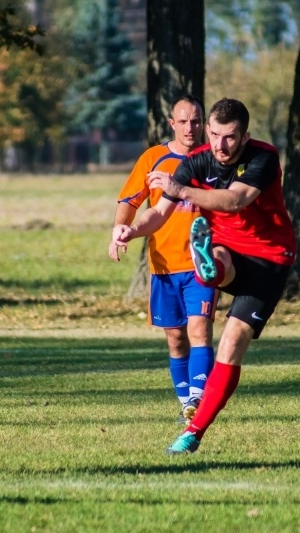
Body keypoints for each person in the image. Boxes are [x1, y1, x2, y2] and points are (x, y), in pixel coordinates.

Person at [111, 97, 296, 454]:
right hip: (227, 249)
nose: (220, 146)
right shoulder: (197, 162)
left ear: (245, 137)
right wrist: (131, 231)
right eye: (214, 135)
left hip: (270, 259)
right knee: (217, 256)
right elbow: (159, 213)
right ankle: (208, 268)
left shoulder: (264, 157)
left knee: (230, 345)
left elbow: (233, 201)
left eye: (229, 137)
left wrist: (180, 189)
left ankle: (193, 432)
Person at [109, 94, 217, 425]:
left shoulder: (214, 160)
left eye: (196, 121)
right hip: (164, 267)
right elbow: (131, 199)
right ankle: (186, 400)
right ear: (172, 123)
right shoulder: (154, 158)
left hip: (202, 265)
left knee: (200, 329)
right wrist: (119, 230)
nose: (190, 127)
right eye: (183, 121)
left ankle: (199, 398)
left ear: (204, 124)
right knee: (176, 337)